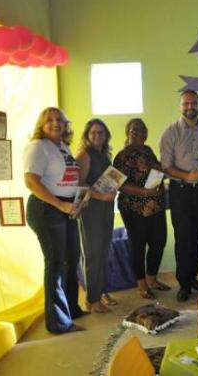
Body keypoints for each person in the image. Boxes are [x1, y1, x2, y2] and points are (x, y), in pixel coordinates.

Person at [23, 107, 85, 334]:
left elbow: (66, 180)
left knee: (72, 258)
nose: (55, 123)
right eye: (49, 120)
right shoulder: (38, 147)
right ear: (41, 124)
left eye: (59, 120)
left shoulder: (63, 147)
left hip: (66, 208)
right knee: (57, 264)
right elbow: (31, 182)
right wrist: (60, 205)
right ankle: (58, 323)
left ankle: (71, 309)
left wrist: (78, 200)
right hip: (46, 209)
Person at [160, 90, 198, 302]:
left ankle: (192, 277)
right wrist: (187, 175)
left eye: (194, 102)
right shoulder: (170, 132)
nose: (190, 106)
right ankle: (183, 284)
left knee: (197, 236)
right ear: (180, 106)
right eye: (186, 103)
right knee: (183, 238)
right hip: (180, 191)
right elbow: (166, 167)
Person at [113, 118, 169, 300]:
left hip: (155, 206)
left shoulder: (148, 151)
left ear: (146, 135)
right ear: (127, 134)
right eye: (133, 131)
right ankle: (141, 284)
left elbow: (157, 172)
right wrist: (144, 191)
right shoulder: (121, 156)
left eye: (141, 131)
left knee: (159, 241)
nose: (138, 133)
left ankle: (152, 279)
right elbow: (119, 185)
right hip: (133, 208)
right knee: (138, 245)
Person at [75, 119, 117, 313]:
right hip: (91, 210)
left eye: (101, 132)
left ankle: (99, 294)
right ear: (87, 135)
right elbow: (80, 185)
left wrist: (113, 191)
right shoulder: (84, 155)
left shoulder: (104, 154)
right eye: (93, 133)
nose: (97, 136)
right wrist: (102, 196)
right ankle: (92, 300)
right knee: (92, 255)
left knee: (102, 252)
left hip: (106, 209)